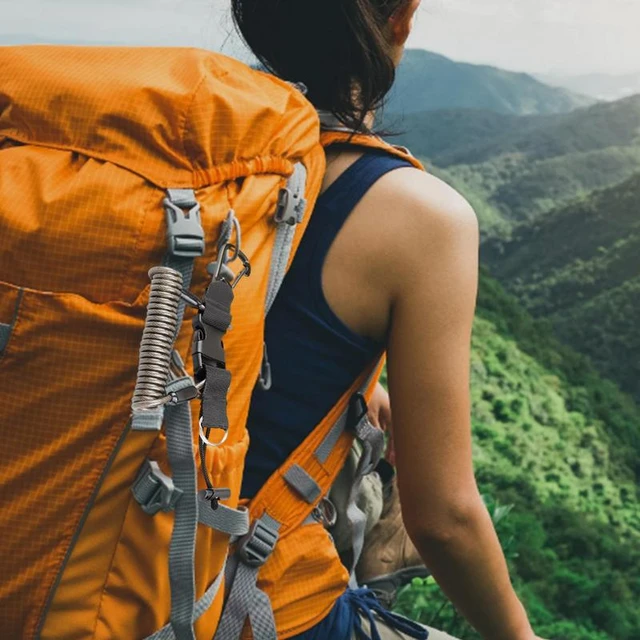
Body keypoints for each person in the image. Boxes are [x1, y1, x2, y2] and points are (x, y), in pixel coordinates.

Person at [232, 1, 546, 639]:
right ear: (402, 20)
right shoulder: (421, 216)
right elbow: (445, 519)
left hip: (89, 563)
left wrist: (353, 381)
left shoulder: (189, 163)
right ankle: (371, 562)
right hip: (245, 605)